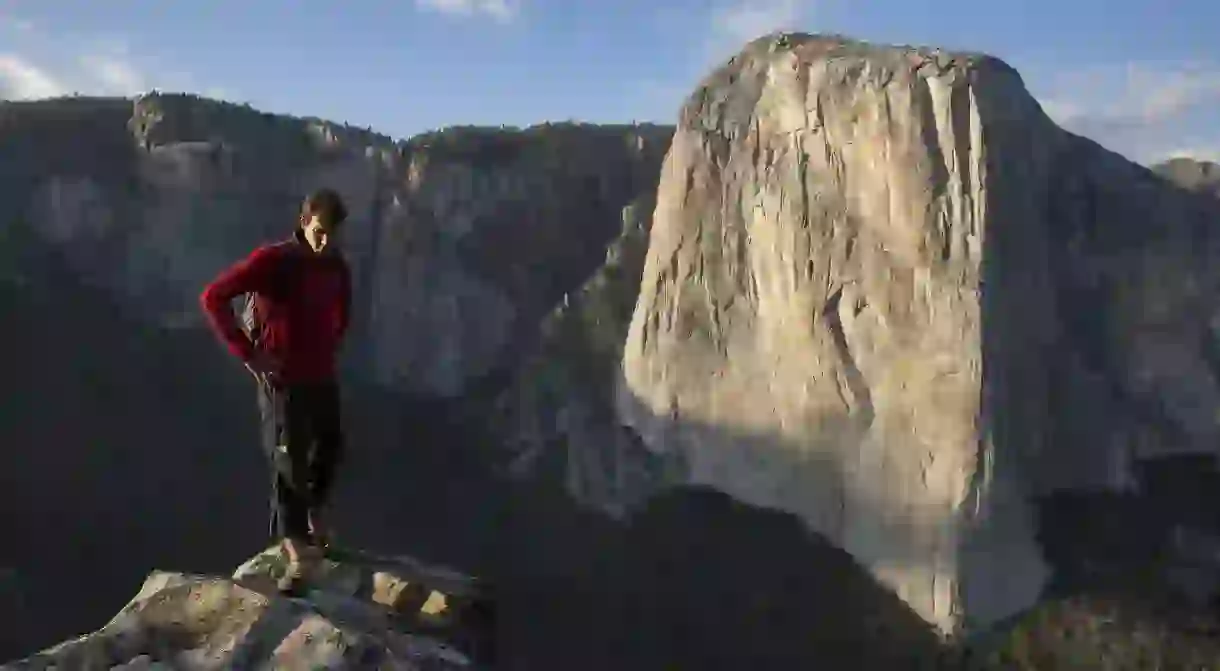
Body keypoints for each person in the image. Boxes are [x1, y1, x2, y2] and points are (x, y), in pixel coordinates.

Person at [199, 188, 352, 590]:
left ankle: (315, 518)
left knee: (331, 445)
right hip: (280, 379)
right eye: (320, 232)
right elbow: (214, 297)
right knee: (288, 458)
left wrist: (329, 344)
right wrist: (249, 355)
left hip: (319, 373)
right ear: (304, 222)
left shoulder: (335, 264)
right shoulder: (274, 262)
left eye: (333, 234)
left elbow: (343, 308)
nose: (325, 242)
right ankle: (297, 550)